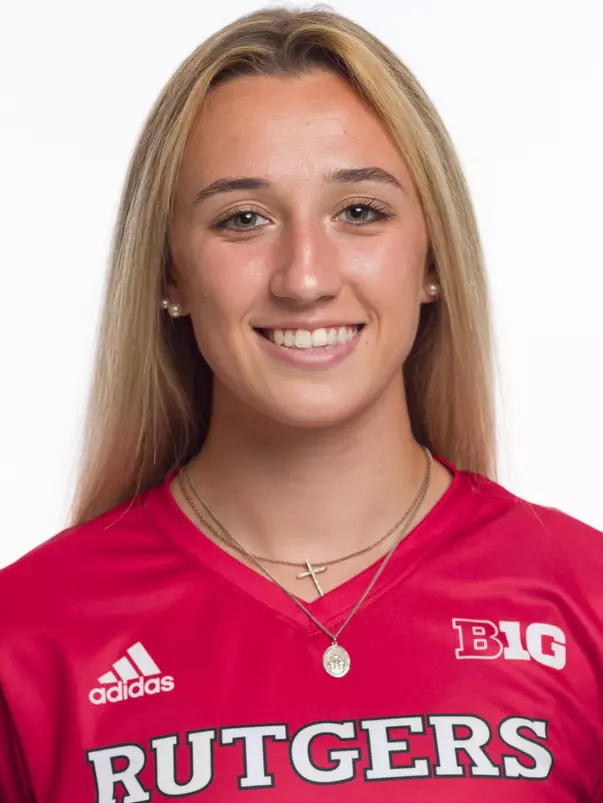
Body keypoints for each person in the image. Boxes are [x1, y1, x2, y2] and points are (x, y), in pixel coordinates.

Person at [0, 6, 601, 801]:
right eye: (241, 219)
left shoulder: (581, 598)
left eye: (360, 211)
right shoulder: (31, 635)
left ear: (431, 260)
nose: (305, 277)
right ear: (170, 275)